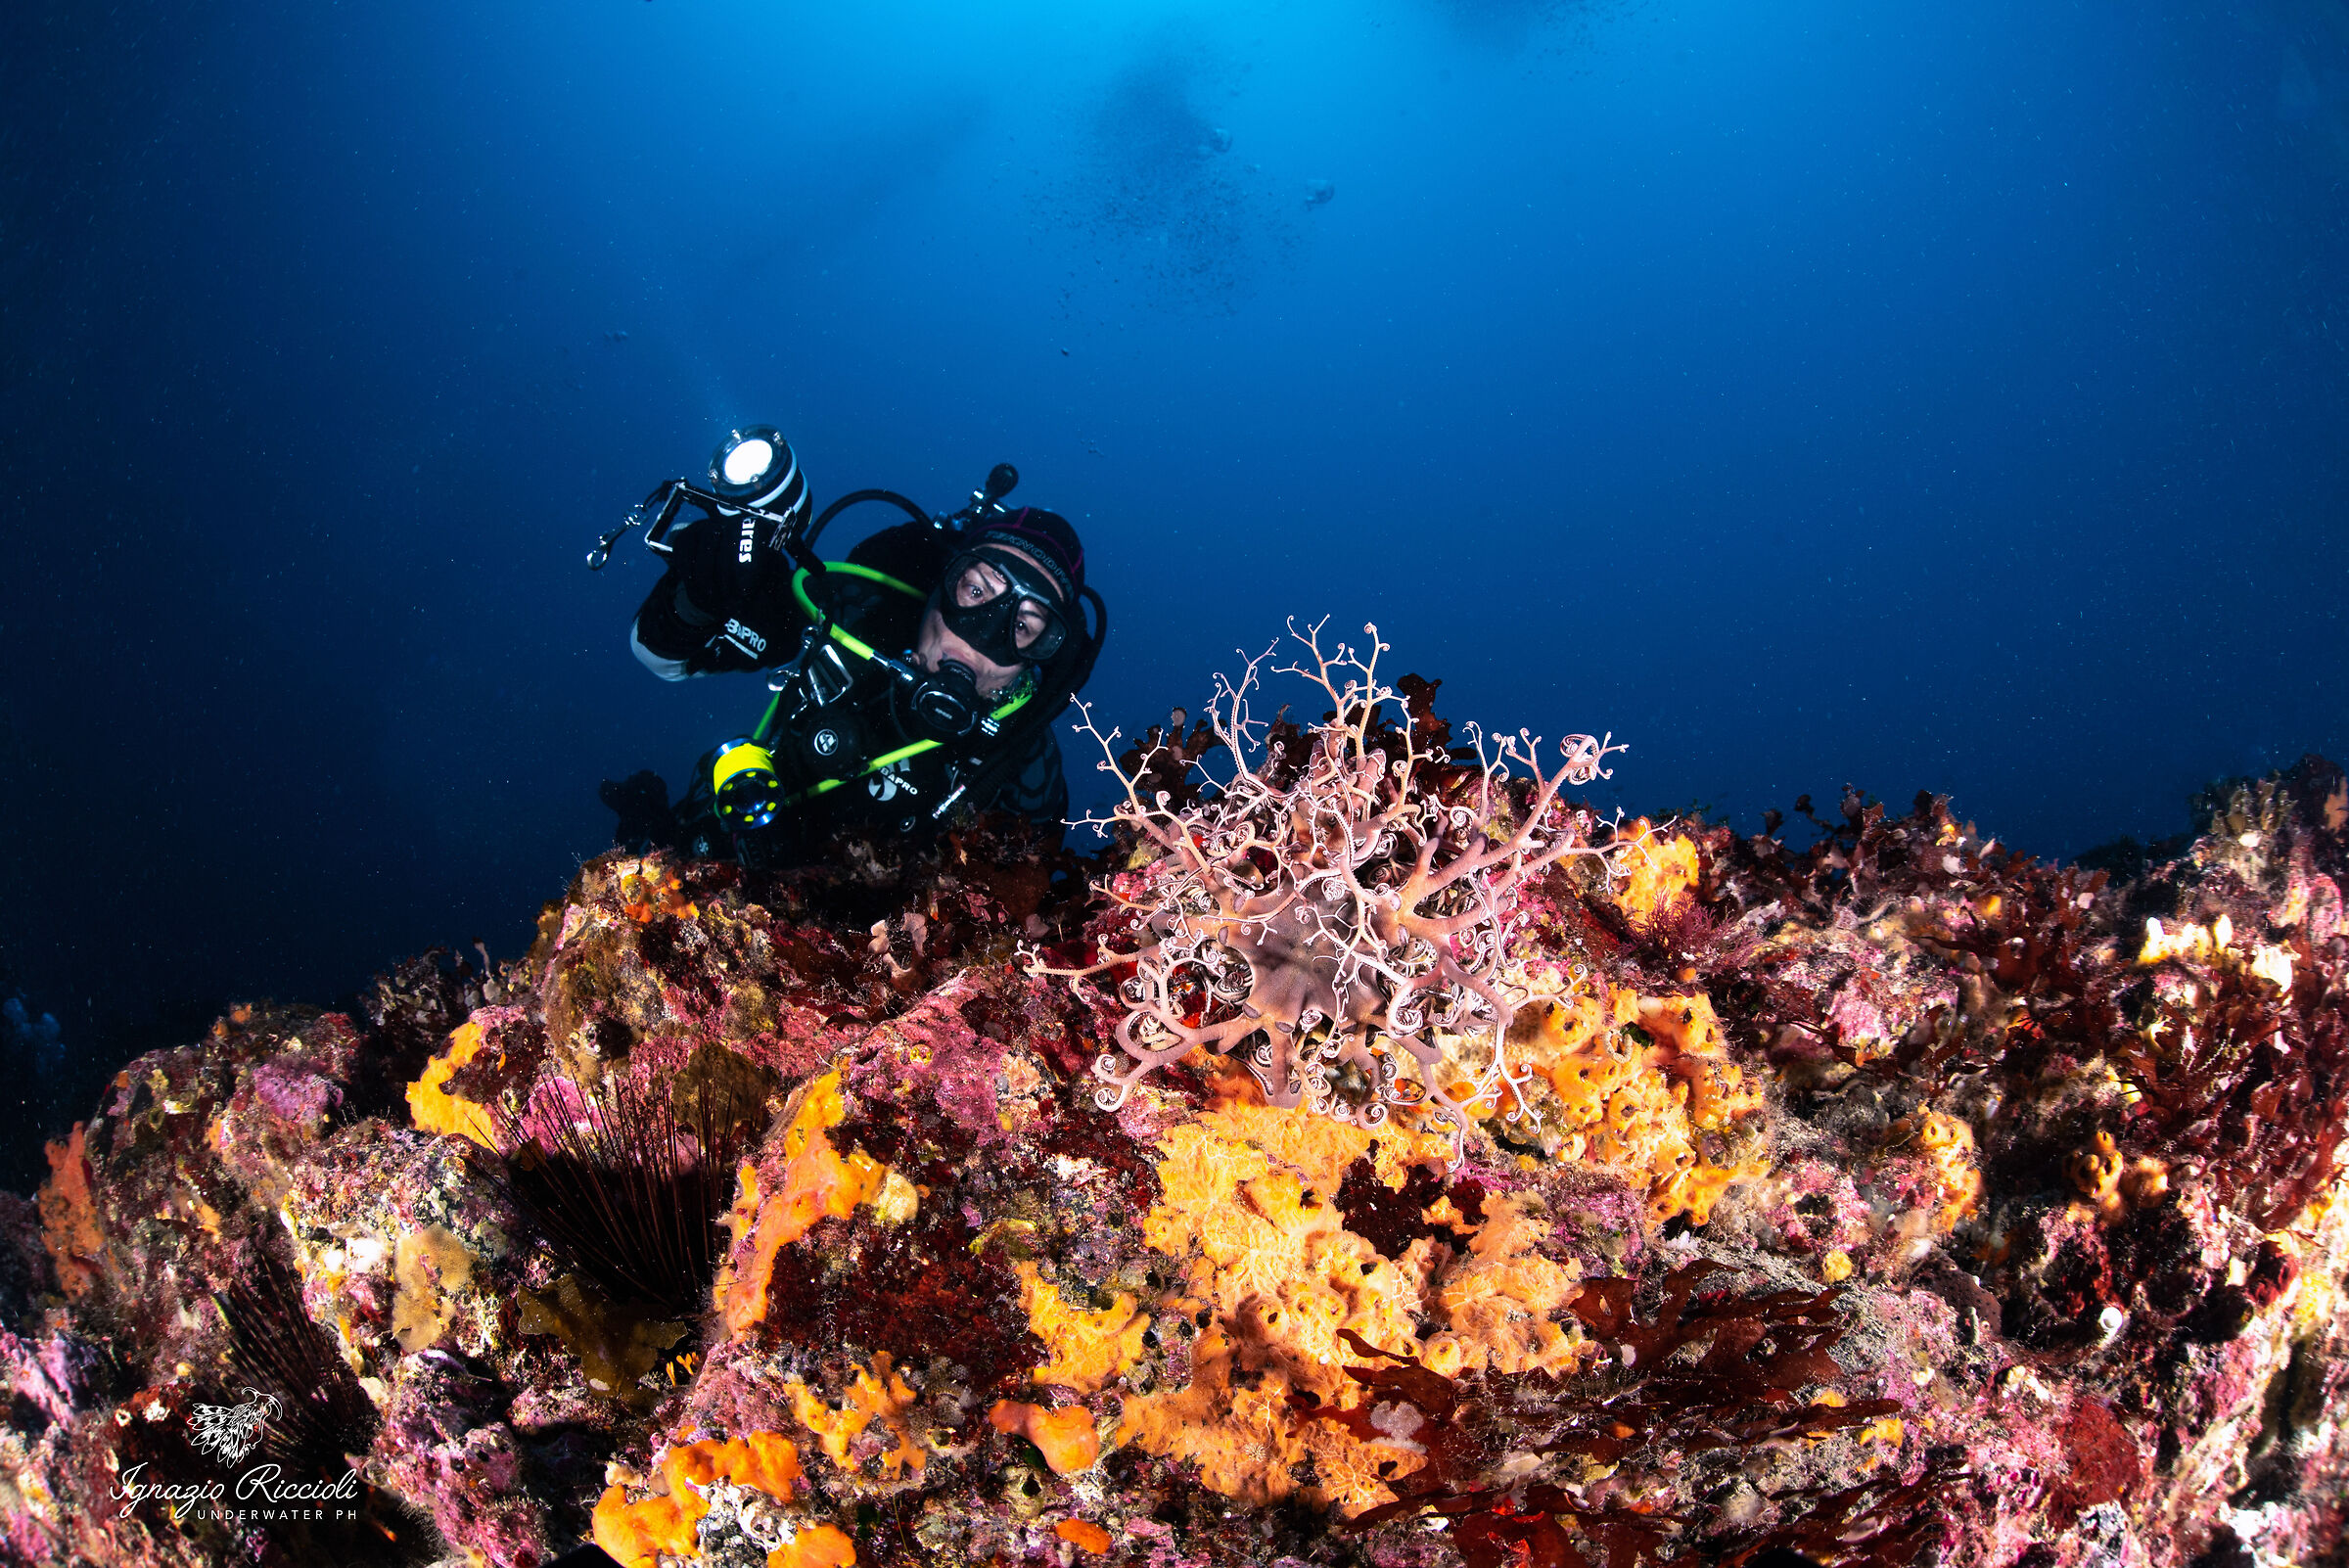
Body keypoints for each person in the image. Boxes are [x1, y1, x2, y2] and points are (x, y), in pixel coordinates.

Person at [602, 431, 1102, 863]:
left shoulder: (1022, 760)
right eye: (975, 591)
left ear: (1046, 650)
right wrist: (699, 596)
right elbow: (663, 660)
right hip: (729, 844)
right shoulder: (858, 616)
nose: (981, 636)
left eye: (1024, 626)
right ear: (938, 581)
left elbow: (1028, 914)